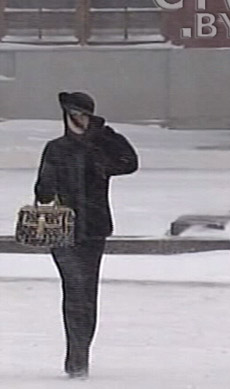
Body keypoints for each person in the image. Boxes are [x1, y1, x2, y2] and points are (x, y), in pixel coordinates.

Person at [34, 91, 138, 379]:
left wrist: (104, 134)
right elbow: (41, 190)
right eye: (73, 114)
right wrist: (50, 189)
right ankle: (74, 354)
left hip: (93, 228)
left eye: (83, 115)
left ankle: (81, 354)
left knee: (87, 292)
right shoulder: (55, 149)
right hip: (63, 231)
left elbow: (130, 161)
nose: (78, 120)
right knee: (74, 288)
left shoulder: (101, 146)